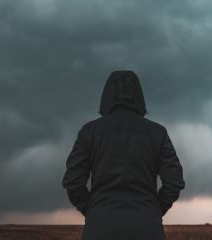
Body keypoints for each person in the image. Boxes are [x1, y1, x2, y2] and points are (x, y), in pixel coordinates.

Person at [62, 70, 185, 240]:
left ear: (106, 95)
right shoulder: (158, 133)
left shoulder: (89, 132)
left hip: (100, 226)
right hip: (147, 227)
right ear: (139, 97)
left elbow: (73, 183)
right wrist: (153, 209)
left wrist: (94, 210)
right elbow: (174, 182)